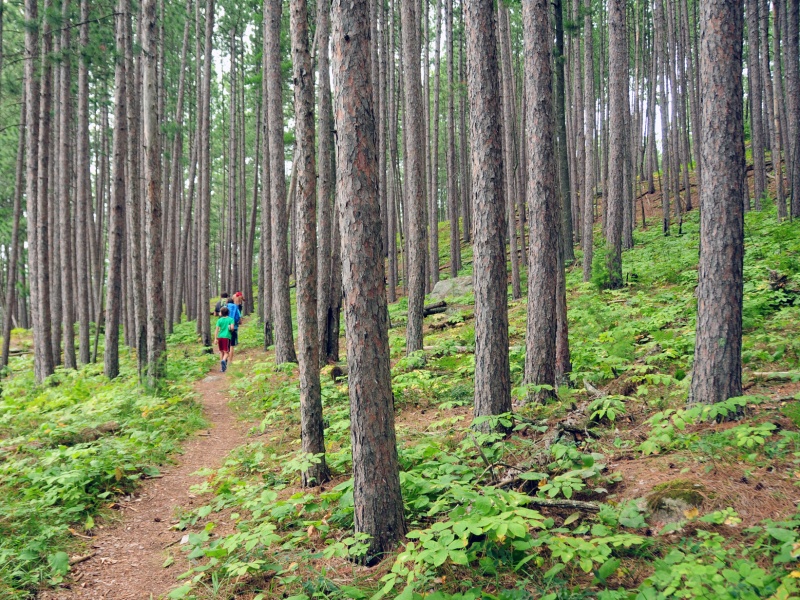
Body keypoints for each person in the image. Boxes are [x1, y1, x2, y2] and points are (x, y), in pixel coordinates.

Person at [214, 306, 235, 372]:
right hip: (227, 337)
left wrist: (215, 338)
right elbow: (232, 328)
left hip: (220, 337)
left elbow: (216, 330)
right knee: (227, 353)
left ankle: (222, 368)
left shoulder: (219, 320)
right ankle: (223, 361)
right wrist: (230, 329)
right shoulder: (231, 319)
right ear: (228, 312)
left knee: (221, 352)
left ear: (221, 313)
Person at [226, 294, 241, 363]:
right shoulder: (235, 307)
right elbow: (239, 316)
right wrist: (238, 322)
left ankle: (224, 358)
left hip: (225, 328)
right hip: (234, 327)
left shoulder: (225, 307)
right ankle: (230, 361)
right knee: (232, 345)